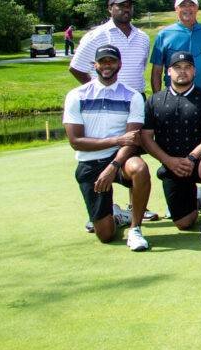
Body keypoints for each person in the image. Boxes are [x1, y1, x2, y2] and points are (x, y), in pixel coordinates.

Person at [63, 45, 151, 251]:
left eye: (111, 61)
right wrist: (117, 140)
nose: (107, 66)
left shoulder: (133, 96)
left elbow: (132, 140)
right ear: (95, 65)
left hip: (120, 160)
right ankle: (116, 215)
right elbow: (76, 141)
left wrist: (113, 165)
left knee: (139, 168)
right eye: (102, 62)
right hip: (89, 162)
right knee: (105, 235)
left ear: (119, 64)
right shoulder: (77, 95)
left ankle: (135, 228)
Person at [140, 50, 201, 244]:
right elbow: (146, 138)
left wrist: (192, 157)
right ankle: (196, 198)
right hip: (171, 165)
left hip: (198, 160)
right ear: (168, 72)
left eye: (187, 68)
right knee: (184, 223)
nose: (182, 72)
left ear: (194, 71)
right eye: (177, 68)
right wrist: (168, 161)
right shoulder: (154, 101)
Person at [70, 0, 151, 95]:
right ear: (110, 9)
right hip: (106, 98)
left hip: (137, 100)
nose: (126, 9)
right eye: (121, 6)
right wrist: (96, 88)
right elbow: (76, 68)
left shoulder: (143, 38)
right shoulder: (95, 36)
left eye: (129, 6)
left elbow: (141, 68)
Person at [149, 0, 201, 95]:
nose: (187, 9)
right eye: (183, 5)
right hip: (173, 94)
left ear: (197, 8)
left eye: (191, 5)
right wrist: (157, 100)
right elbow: (157, 71)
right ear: (176, 9)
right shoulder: (164, 35)